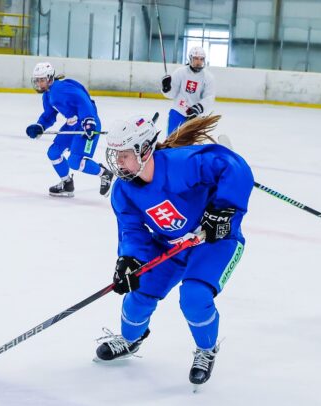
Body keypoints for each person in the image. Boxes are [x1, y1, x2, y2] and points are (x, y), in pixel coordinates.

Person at [94, 114, 253, 387]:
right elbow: (132, 230)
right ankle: (131, 340)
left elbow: (232, 165)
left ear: (145, 150)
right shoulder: (123, 190)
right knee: (137, 297)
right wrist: (129, 259)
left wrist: (223, 211)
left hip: (213, 244)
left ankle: (206, 350)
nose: (117, 162)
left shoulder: (183, 164)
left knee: (194, 296)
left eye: (124, 155)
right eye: (115, 155)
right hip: (169, 245)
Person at [25, 62, 113, 197]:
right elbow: (49, 115)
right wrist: (39, 126)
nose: (38, 83)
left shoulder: (62, 88)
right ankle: (67, 183)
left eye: (41, 80)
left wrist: (89, 121)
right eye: (37, 80)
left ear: (49, 78)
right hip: (72, 124)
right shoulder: (47, 95)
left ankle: (104, 174)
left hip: (88, 125)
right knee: (53, 152)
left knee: (74, 161)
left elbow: (83, 100)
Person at [161, 46, 216, 136]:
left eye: (201, 59)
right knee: (172, 140)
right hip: (178, 111)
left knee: (190, 145)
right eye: (196, 59)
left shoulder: (208, 77)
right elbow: (171, 95)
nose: (199, 62)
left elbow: (209, 97)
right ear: (190, 58)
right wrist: (166, 89)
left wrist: (198, 108)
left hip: (196, 115)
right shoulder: (180, 72)